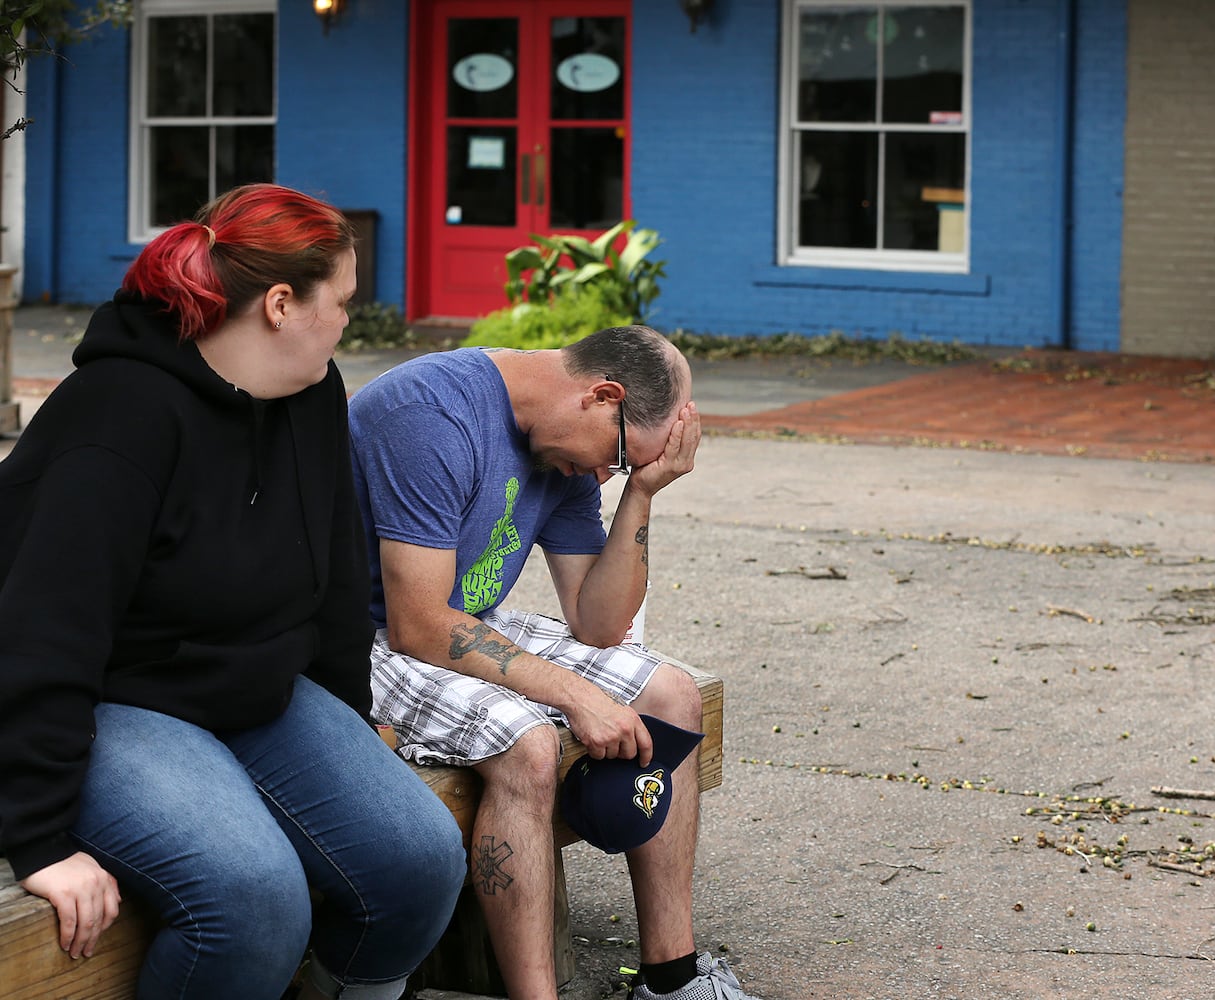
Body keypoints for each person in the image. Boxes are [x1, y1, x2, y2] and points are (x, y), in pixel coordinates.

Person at [0, 183, 466, 1000]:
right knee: (252, 900)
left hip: (254, 690)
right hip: (113, 698)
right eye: (345, 301)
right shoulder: (119, 418)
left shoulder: (313, 393)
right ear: (282, 304)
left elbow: (330, 589)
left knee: (420, 862)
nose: (351, 321)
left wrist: (351, 729)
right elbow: (44, 632)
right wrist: (37, 840)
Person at [348, 325, 760, 1000]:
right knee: (530, 745)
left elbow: (599, 624)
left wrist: (642, 493)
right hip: (368, 634)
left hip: (460, 621)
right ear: (601, 396)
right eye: (621, 461)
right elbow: (419, 624)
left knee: (672, 695)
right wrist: (573, 695)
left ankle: (670, 979)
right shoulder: (429, 413)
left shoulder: (564, 448)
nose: (605, 476)